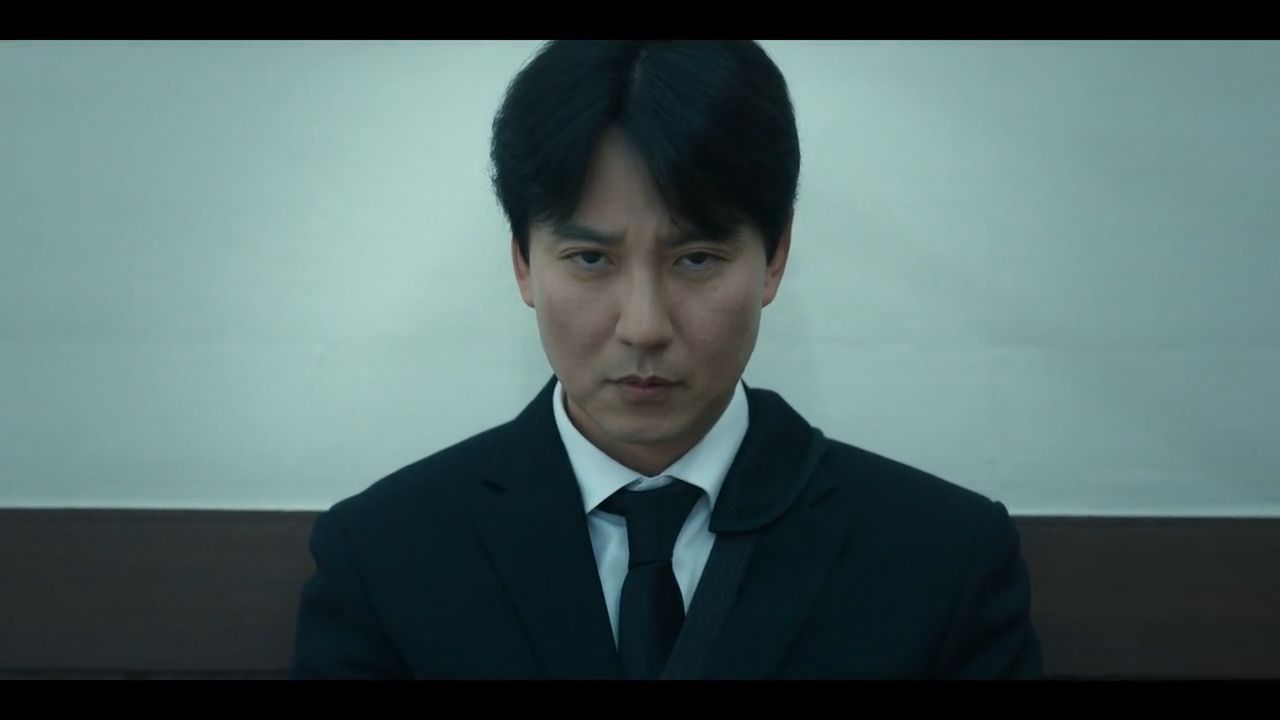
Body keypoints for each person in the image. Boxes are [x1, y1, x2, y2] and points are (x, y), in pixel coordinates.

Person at [290, 40, 1043, 680]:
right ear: (522, 261)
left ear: (775, 257)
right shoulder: (383, 557)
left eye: (696, 259)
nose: (644, 327)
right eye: (591, 259)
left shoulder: (945, 559)